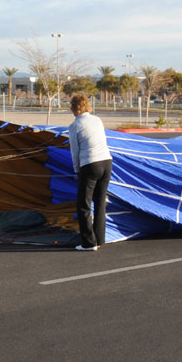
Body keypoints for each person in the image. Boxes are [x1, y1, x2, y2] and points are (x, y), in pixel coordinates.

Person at [68, 94, 113, 251]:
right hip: (107, 162)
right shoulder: (97, 120)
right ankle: (100, 239)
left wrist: (76, 171)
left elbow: (75, 151)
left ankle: (88, 243)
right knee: (100, 203)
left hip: (90, 164)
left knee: (83, 205)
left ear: (74, 108)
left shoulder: (75, 125)